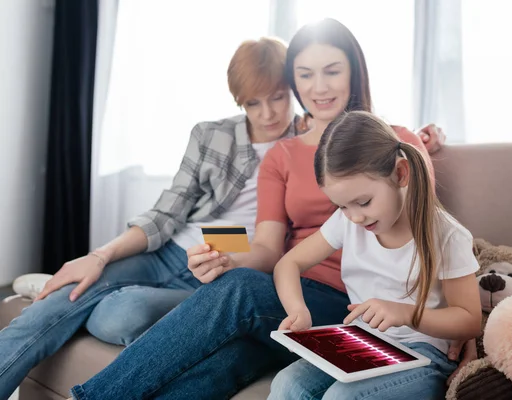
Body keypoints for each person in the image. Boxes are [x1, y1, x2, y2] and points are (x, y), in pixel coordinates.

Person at [66, 19, 457, 400]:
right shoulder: (281, 154)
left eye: (332, 71)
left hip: (360, 305)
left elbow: (430, 233)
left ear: (355, 71)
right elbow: (270, 250)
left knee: (238, 291)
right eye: (304, 75)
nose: (318, 87)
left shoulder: (398, 142)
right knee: (225, 361)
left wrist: (461, 327)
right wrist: (228, 262)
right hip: (291, 300)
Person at [0, 36, 306, 400]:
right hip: (170, 251)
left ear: (293, 90)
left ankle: (102, 296)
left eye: (278, 97)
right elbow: (166, 212)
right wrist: (99, 256)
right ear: (239, 101)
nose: (268, 113)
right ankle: (80, 290)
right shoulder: (212, 134)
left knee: (118, 316)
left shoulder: (307, 143)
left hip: (221, 274)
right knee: (57, 304)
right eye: (254, 103)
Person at [268, 110, 482, 400]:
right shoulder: (348, 222)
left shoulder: (446, 236)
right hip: (362, 344)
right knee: (286, 383)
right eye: (342, 206)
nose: (355, 217)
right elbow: (288, 264)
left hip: (424, 353)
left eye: (364, 202)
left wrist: (406, 313)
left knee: (341, 398)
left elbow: (469, 320)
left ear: (400, 173)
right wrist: (298, 311)